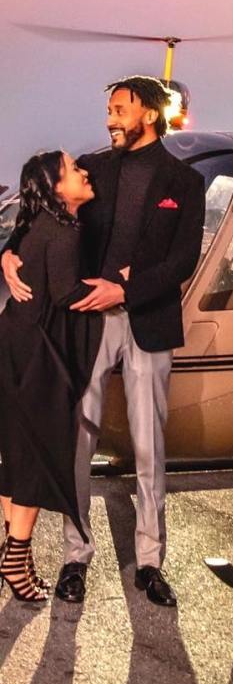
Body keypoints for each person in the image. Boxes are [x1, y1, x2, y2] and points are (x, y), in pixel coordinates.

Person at [2, 76, 205, 607]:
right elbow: (46, 209)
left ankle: (151, 562)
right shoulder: (95, 167)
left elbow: (183, 260)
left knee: (149, 446)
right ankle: (75, 556)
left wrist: (127, 288)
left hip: (147, 320)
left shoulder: (183, 181)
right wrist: (9, 250)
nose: (110, 118)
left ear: (150, 115)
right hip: (86, 324)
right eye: (109, 109)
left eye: (120, 109)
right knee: (79, 442)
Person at [0, 151, 98, 602]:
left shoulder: (37, 225)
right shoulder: (63, 230)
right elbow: (64, 294)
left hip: (15, 345)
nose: (83, 172)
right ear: (58, 188)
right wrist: (115, 290)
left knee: (17, 455)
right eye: (74, 169)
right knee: (36, 459)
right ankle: (15, 561)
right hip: (36, 355)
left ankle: (13, 555)